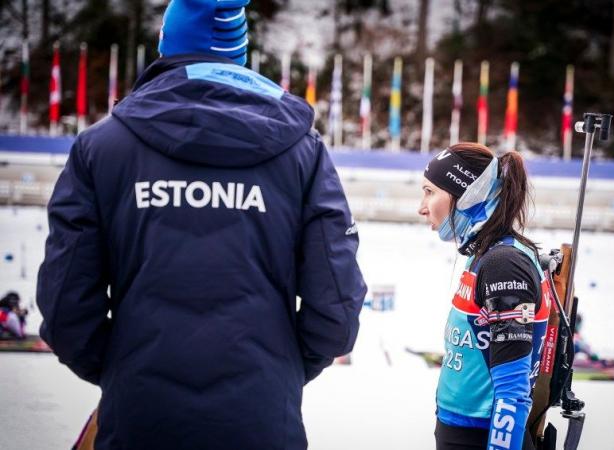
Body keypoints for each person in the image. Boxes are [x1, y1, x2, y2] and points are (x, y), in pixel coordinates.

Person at [37, 1, 366, 449]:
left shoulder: (102, 147)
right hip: (262, 419)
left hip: (139, 416)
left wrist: (121, 366)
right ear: (239, 53)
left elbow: (65, 308)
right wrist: (282, 368)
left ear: (166, 46)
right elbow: (337, 307)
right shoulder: (303, 153)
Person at [418, 143, 551, 450]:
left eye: (430, 192)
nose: (422, 207)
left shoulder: (502, 264)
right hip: (462, 432)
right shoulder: (485, 255)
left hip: (481, 436)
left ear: (467, 196)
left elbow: (512, 392)